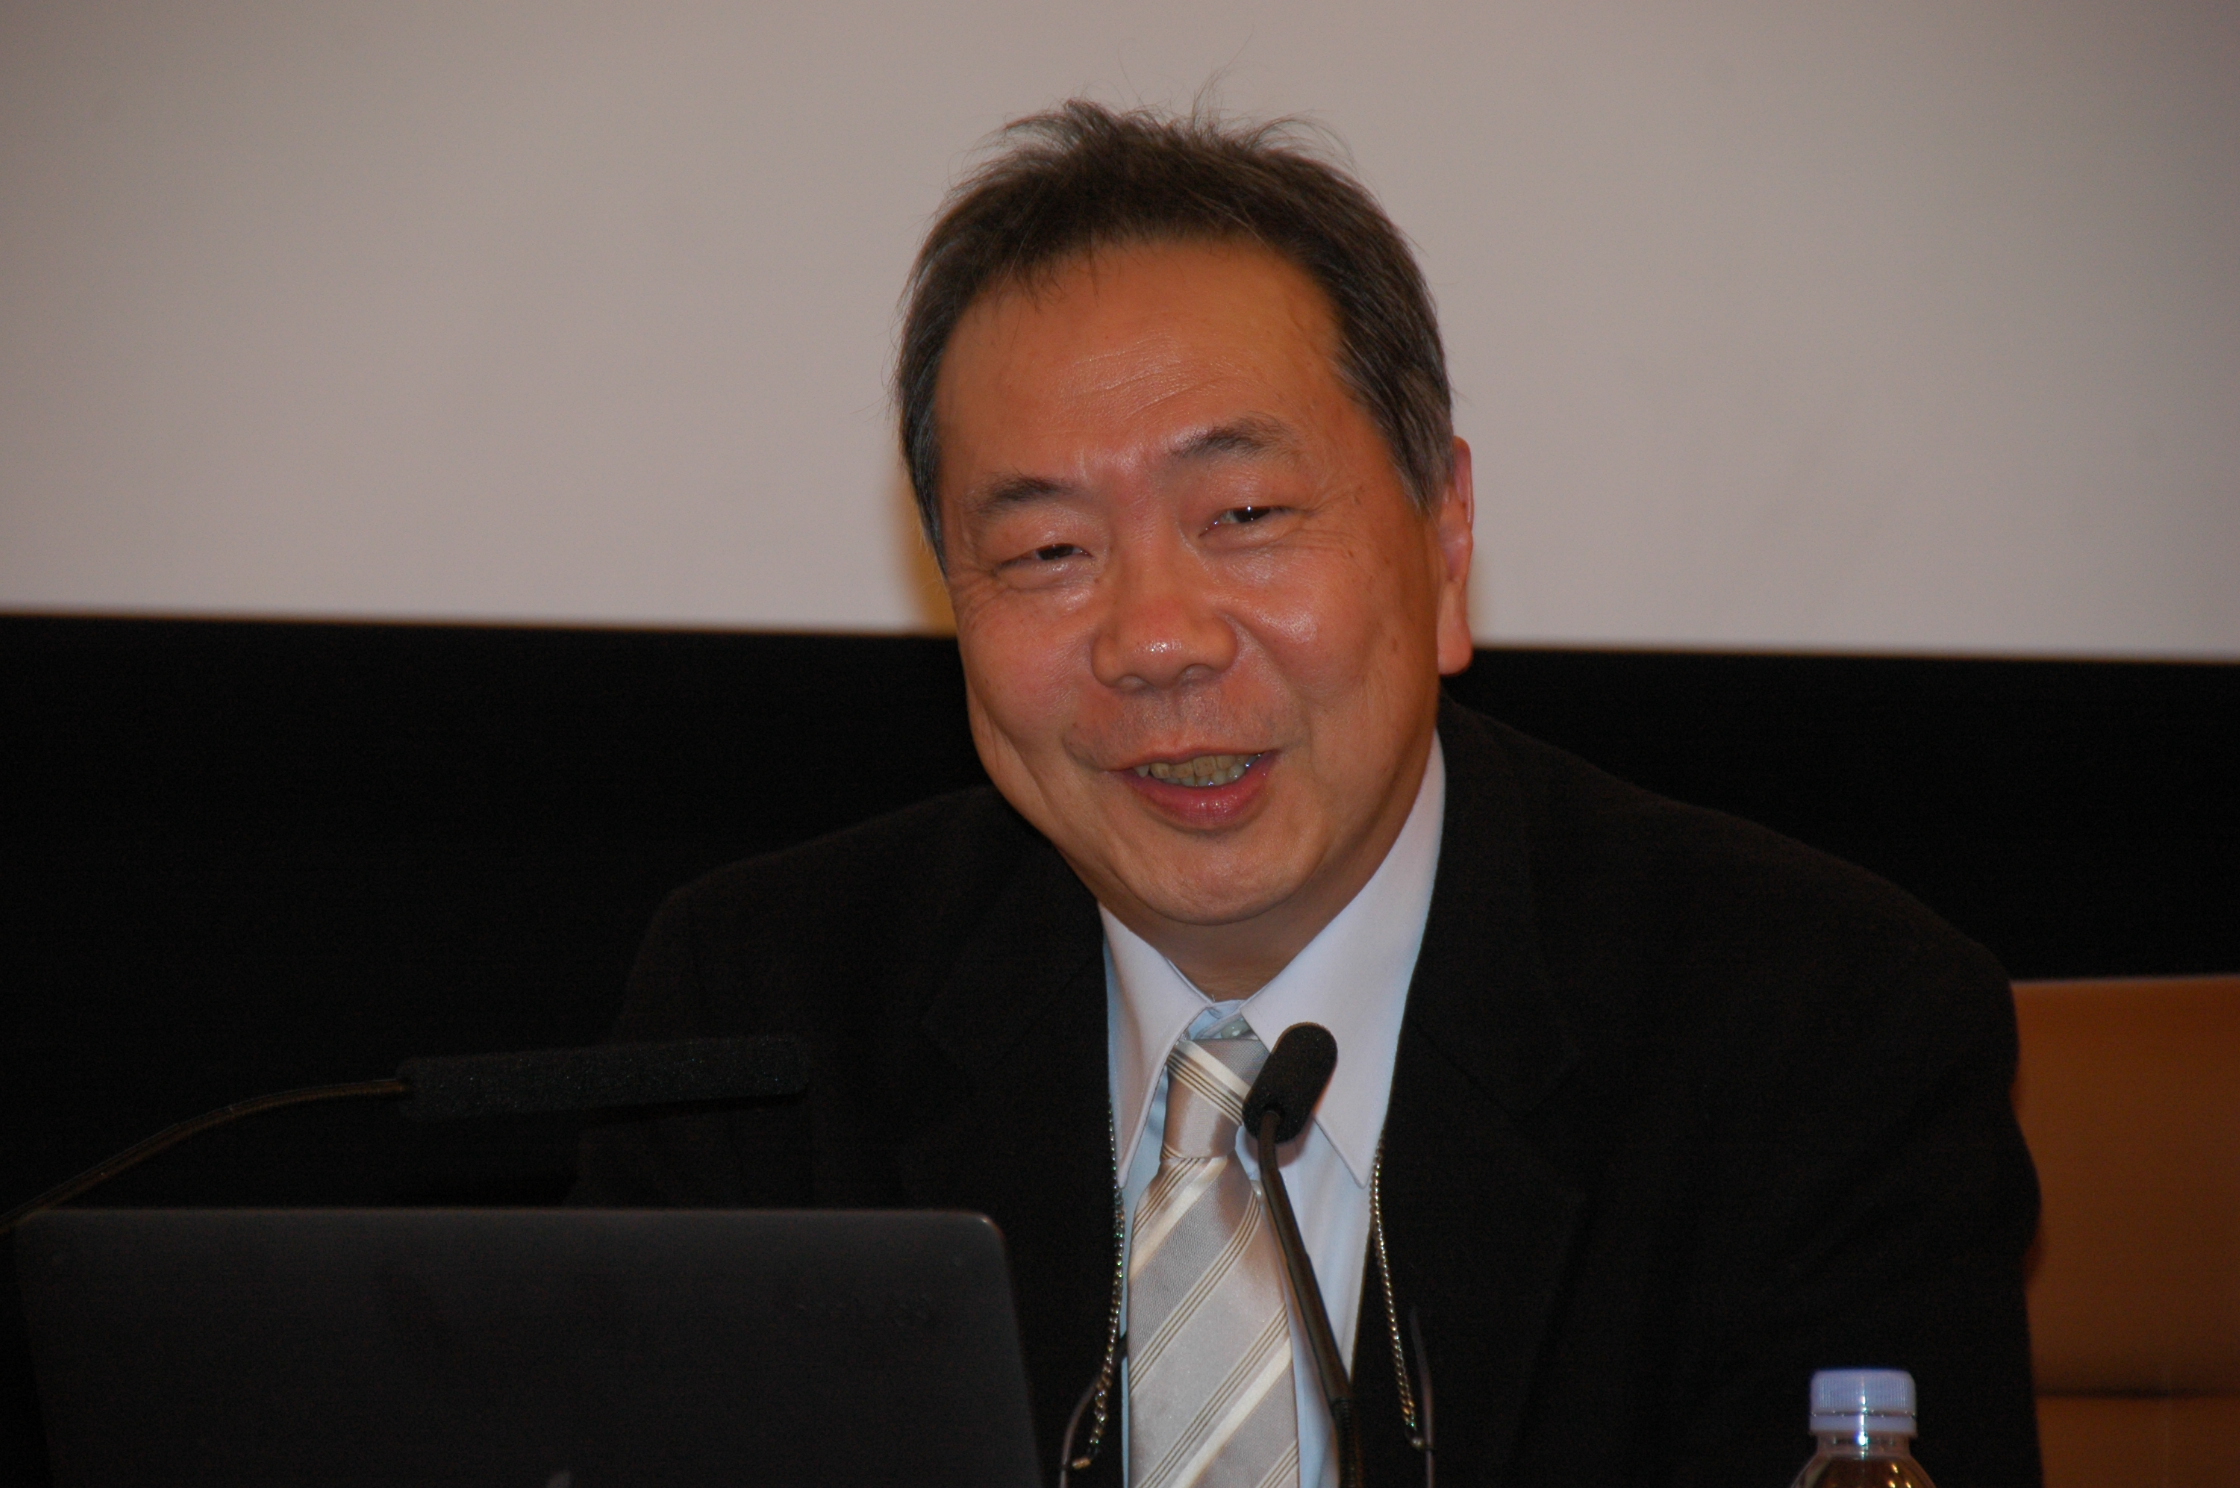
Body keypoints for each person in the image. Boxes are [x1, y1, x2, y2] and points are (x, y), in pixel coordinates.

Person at [572, 102, 2040, 1488]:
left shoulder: (1816, 1030)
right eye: (1045, 554)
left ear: (1445, 538)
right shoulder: (763, 1024)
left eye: (1247, 515)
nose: (1156, 640)